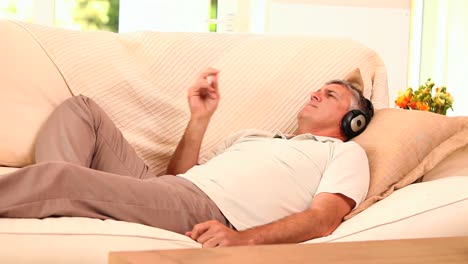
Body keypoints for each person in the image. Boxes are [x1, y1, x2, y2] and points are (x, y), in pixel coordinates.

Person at [0, 67, 373, 248]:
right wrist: (199, 119)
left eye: (331, 94)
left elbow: (323, 220)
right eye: (318, 88)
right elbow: (181, 174)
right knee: (82, 110)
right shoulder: (255, 137)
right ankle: (73, 204)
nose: (316, 94)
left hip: (205, 209)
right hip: (169, 189)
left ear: (352, 119)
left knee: (64, 179)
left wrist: (242, 239)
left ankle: (64, 194)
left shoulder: (344, 153)